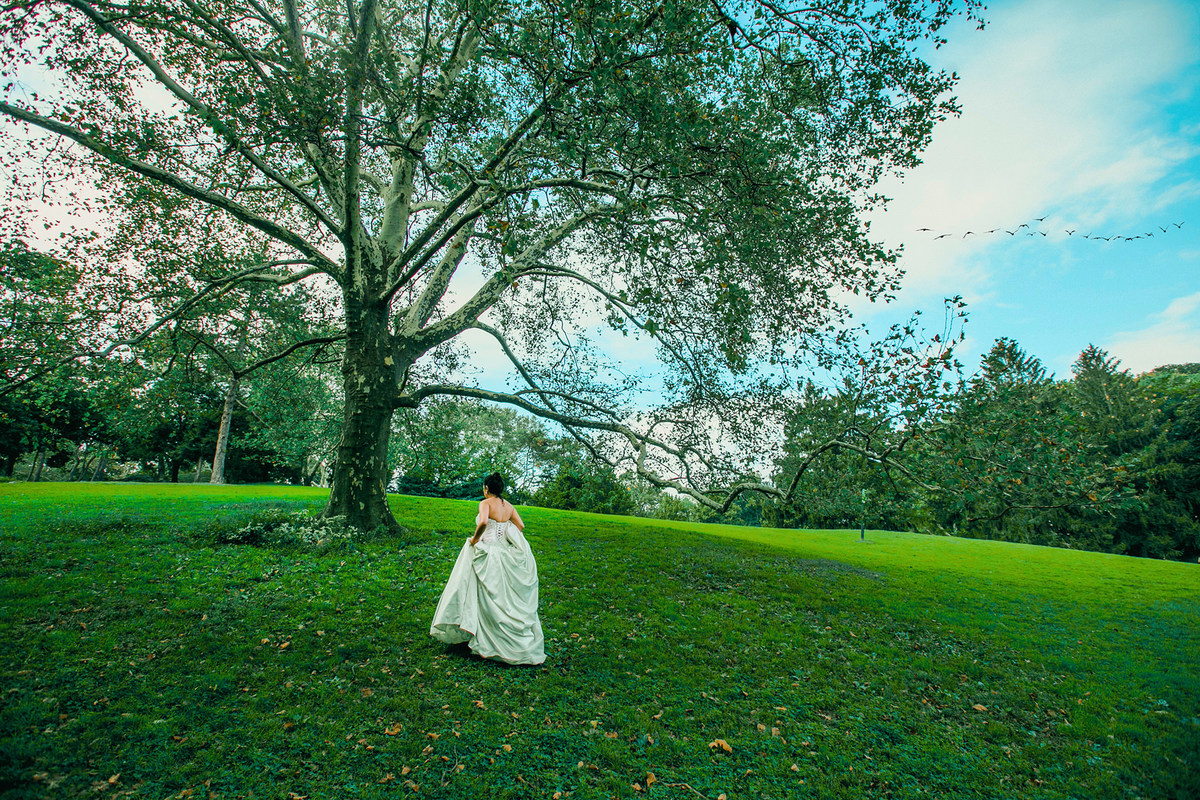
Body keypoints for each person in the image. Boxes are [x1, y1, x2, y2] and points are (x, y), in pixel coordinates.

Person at [429, 473, 545, 665]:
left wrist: (475, 540)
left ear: (486, 488)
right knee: (502, 595)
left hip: (488, 551)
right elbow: (521, 526)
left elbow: (483, 522)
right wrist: (505, 531)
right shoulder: (508, 506)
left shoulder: (485, 503)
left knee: (484, 590)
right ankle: (505, 637)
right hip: (504, 552)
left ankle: (486, 634)